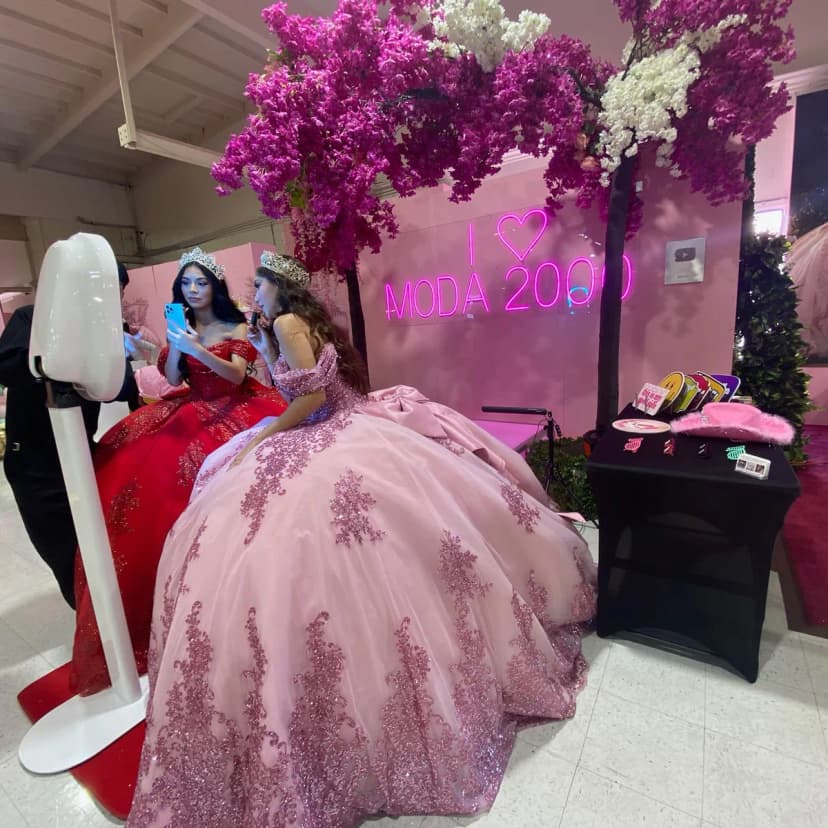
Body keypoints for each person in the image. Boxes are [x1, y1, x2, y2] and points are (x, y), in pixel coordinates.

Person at [129, 252, 596, 827]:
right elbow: (298, 387)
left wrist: (262, 435)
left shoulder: (286, 324)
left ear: (278, 290)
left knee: (313, 539)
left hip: (325, 431)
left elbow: (312, 400)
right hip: (333, 429)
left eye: (259, 285)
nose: (253, 292)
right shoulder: (285, 325)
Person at [70, 247, 288, 696]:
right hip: (192, 408)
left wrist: (195, 348)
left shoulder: (237, 324)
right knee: (133, 467)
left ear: (215, 287)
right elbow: (174, 380)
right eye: (186, 283)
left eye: (201, 282)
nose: (194, 290)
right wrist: (175, 345)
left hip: (239, 408)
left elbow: (234, 377)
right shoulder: (182, 323)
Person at [0, 304, 137, 608]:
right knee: (64, 558)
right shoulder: (31, 318)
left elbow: (125, 386)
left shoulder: (103, 328)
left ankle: (107, 623)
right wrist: (60, 354)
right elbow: (7, 367)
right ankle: (91, 626)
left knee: (102, 553)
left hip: (83, 457)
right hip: (35, 467)